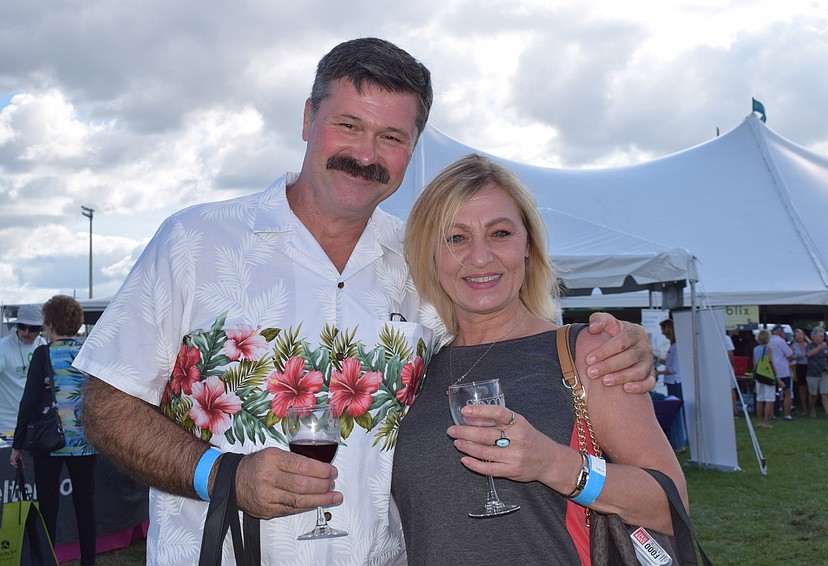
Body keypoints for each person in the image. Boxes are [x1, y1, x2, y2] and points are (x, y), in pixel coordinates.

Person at [71, 38, 656, 565]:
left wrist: (609, 345)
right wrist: (222, 473)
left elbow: (508, 338)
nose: (365, 153)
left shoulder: (425, 262)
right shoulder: (196, 243)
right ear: (307, 118)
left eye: (391, 137)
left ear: (412, 148)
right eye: (347, 125)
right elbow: (105, 402)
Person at [391, 154, 686, 565]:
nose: (480, 257)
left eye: (500, 233)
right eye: (455, 238)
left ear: (527, 245)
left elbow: (669, 506)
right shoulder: (415, 367)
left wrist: (555, 464)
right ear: (430, 253)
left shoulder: (586, 353)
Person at [10, 296, 97, 566]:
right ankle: (89, 562)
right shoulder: (91, 350)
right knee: (85, 505)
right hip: (86, 441)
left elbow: (29, 400)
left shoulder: (43, 353)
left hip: (50, 442)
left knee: (48, 505)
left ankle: (47, 560)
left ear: (49, 324)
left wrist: (17, 444)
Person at [0, 304, 47, 435]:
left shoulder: (42, 344)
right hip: (6, 424)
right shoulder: (3, 348)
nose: (26, 333)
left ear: (41, 329)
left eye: (32, 329)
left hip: (35, 422)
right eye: (22, 327)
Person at [658, 318, 687, 452]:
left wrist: (657, 372)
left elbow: (674, 369)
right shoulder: (673, 346)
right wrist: (658, 360)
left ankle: (680, 443)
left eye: (663, 329)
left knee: (676, 414)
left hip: (675, 382)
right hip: (671, 382)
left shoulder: (677, 347)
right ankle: (679, 442)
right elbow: (670, 364)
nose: (662, 333)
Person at [806, 327, 828, 418]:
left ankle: (827, 412)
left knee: (824, 393)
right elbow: (808, 354)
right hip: (813, 373)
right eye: (820, 336)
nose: (822, 338)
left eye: (823, 336)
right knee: (813, 394)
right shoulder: (810, 345)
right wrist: (819, 347)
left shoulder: (825, 346)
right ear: (814, 337)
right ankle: (812, 408)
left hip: (824, 371)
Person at [768, 324, 794, 421]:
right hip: (782, 370)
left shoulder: (768, 341)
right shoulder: (780, 341)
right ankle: (787, 414)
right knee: (787, 392)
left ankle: (772, 414)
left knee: (771, 393)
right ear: (778, 331)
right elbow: (790, 355)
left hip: (771, 369)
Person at [753, 329, 776, 428]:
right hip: (767, 375)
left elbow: (755, 363)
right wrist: (775, 373)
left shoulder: (755, 349)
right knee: (769, 399)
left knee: (759, 399)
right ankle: (766, 422)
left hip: (758, 375)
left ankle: (759, 420)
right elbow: (770, 362)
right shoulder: (769, 349)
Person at [791, 328, 810, 415]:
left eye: (800, 335)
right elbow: (790, 356)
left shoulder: (809, 344)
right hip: (799, 367)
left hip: (809, 367)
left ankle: (811, 407)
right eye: (797, 336)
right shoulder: (793, 345)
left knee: (810, 387)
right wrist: (798, 356)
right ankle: (804, 408)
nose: (799, 337)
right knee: (802, 388)